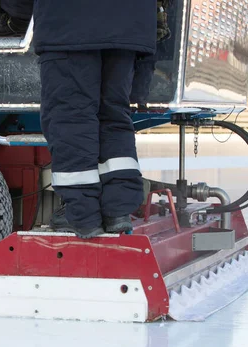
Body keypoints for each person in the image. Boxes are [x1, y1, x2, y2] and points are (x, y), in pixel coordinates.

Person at [34, 1, 157, 239]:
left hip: (68, 23)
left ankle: (81, 215)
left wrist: (12, 16)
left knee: (71, 118)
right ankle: (118, 211)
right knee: (114, 114)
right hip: (130, 25)